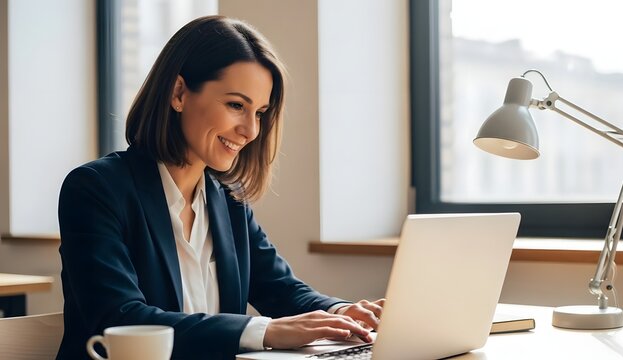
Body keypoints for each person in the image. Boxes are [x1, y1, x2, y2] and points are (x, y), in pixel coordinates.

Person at [57, 15, 384, 360]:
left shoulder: (227, 201)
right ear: (179, 93)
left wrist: (341, 313)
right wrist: (265, 330)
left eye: (259, 112)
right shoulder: (95, 190)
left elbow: (281, 289)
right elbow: (120, 319)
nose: (251, 130)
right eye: (236, 105)